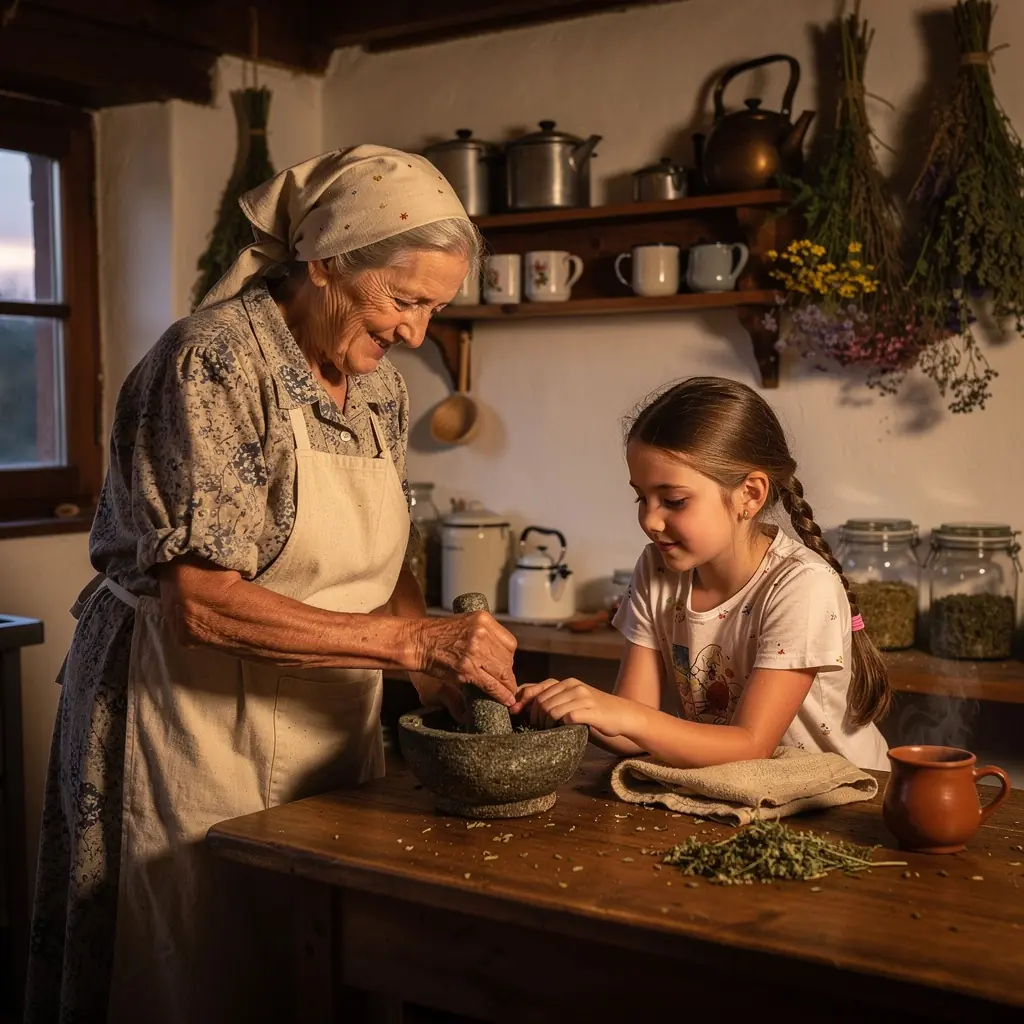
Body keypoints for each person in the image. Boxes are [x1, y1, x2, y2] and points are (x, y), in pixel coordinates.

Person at [25, 145, 518, 1024]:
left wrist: (440, 679)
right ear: (327, 263)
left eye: (435, 308)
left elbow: (385, 559)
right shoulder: (214, 362)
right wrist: (409, 642)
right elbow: (202, 604)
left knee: (315, 957)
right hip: (187, 715)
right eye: (403, 300)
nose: (414, 332)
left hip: (327, 716)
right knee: (193, 956)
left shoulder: (382, 391)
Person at [515, 376, 890, 772]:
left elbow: (751, 745)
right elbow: (630, 728)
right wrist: (575, 706)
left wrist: (624, 714)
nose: (650, 520)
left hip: (843, 802)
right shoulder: (656, 569)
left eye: (673, 501)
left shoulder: (802, 586)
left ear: (750, 494)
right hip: (746, 793)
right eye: (641, 497)